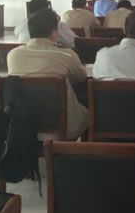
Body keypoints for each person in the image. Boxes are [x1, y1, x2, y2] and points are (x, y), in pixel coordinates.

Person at [7, 9, 88, 139]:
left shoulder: (13, 55)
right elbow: (81, 77)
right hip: (61, 123)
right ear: (54, 33)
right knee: (87, 112)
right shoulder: (67, 55)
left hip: (22, 122)